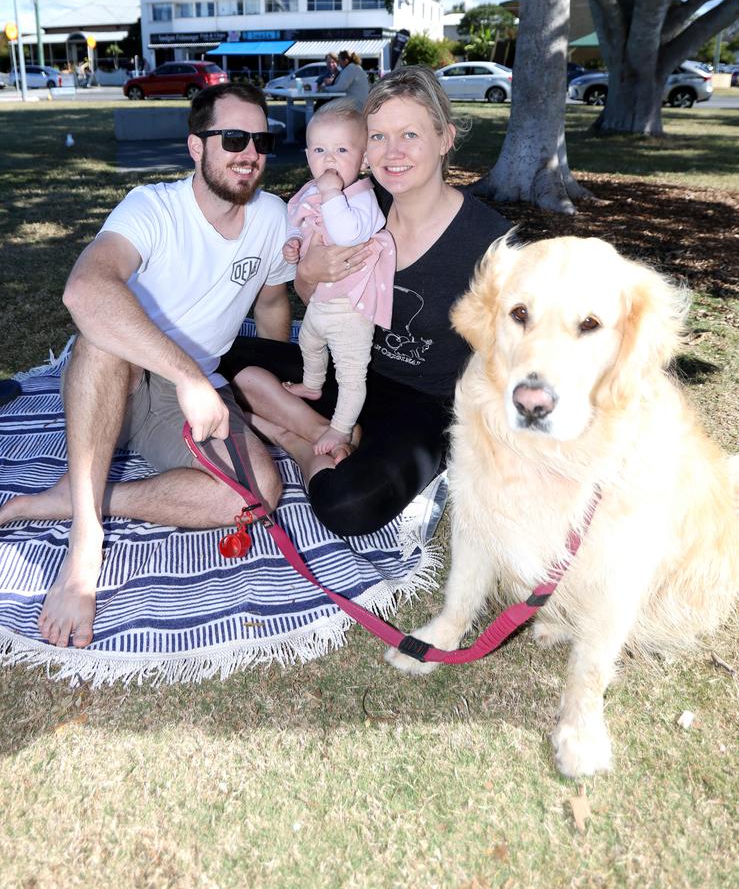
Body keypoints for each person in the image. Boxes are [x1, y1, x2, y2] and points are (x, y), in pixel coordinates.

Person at [0, 82, 295, 650]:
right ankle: (85, 543)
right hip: (121, 379)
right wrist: (187, 375)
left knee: (256, 493)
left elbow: (274, 302)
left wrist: (275, 383)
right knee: (100, 337)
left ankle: (78, 497)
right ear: (196, 146)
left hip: (187, 395)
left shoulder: (273, 217)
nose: (250, 152)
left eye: (261, 139)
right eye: (233, 137)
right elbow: (85, 289)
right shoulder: (152, 206)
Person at [219, 66, 511, 537]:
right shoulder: (355, 203)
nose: (392, 153)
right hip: (341, 367)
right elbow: (313, 296)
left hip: (421, 404)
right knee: (215, 356)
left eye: (410, 134)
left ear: (445, 138)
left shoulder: (490, 242)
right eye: (378, 136)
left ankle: (292, 437)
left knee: (349, 505)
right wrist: (308, 273)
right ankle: (324, 433)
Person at [278, 98, 396, 457]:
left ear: (362, 160)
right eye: (319, 150)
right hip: (320, 303)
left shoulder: (362, 199)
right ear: (307, 155)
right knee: (308, 344)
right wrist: (293, 243)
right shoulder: (311, 193)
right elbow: (295, 219)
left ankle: (340, 428)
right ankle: (313, 386)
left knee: (350, 374)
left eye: (341, 150)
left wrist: (330, 194)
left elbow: (345, 234)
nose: (328, 159)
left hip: (350, 309)